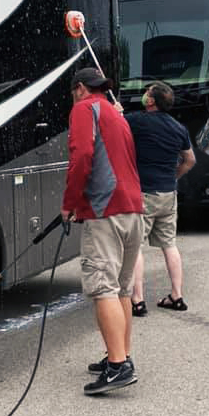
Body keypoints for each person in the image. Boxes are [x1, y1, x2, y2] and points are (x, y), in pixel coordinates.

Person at [61, 67, 144, 396]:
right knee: (122, 289)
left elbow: (82, 156)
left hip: (105, 212)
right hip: (133, 209)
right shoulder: (116, 113)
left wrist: (70, 203)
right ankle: (120, 355)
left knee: (103, 288)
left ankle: (118, 366)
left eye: (73, 93)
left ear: (80, 88)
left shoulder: (84, 108)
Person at [124, 82, 196, 314]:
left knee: (135, 247)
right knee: (169, 244)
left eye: (147, 92)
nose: (144, 95)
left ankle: (137, 300)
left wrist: (116, 111)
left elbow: (116, 123)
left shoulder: (138, 121)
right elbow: (190, 160)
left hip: (144, 194)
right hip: (168, 193)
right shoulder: (178, 128)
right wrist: (173, 177)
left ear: (151, 101)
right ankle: (177, 295)